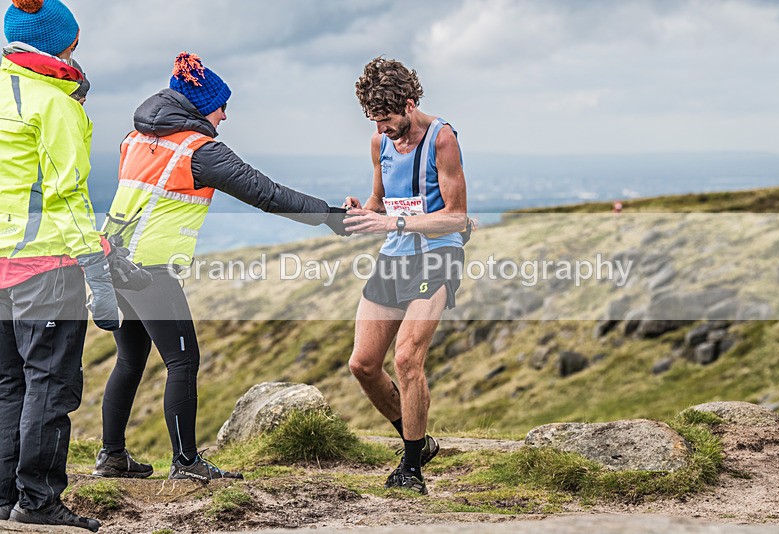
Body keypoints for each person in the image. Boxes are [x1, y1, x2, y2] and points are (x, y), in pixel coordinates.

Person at [92, 52, 349, 482]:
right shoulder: (199, 150)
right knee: (183, 361)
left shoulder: (133, 139)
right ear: (199, 105)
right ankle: (186, 463)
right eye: (221, 105)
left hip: (113, 261)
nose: (225, 115)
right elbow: (265, 193)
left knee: (130, 360)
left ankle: (112, 455)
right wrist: (329, 215)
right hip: (150, 269)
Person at [0, 0, 118, 531]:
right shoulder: (54, 104)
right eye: (74, 40)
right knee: (51, 383)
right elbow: (67, 198)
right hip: (44, 264)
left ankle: (5, 498)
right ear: (60, 44)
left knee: (8, 383)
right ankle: (40, 501)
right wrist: (97, 275)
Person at [345, 57, 468, 495]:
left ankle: (411, 467)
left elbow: (456, 218)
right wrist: (363, 212)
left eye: (389, 120)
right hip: (394, 254)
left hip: (437, 254)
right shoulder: (378, 141)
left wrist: (392, 224)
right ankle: (418, 440)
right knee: (362, 364)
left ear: (411, 104)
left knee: (407, 358)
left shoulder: (442, 138)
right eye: (375, 121)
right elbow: (380, 201)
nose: (383, 129)